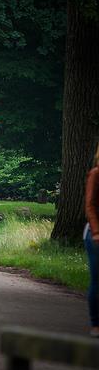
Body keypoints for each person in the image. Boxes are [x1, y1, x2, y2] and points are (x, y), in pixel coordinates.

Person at [85, 143, 99, 337]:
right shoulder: (96, 174)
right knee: (97, 280)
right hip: (96, 234)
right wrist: (96, 232)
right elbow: (90, 206)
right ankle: (96, 323)